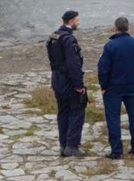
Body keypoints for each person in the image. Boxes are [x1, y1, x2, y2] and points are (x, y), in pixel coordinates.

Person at [98, 16, 134, 159]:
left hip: (113, 88)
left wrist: (104, 85)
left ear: (115, 28)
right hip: (131, 85)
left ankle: (116, 151)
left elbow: (103, 68)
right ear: (128, 27)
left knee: (113, 118)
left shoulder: (110, 46)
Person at [47, 10, 88, 158]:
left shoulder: (53, 37)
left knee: (63, 111)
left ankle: (63, 145)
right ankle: (72, 145)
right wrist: (79, 85)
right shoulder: (69, 40)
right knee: (77, 111)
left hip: (56, 78)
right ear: (71, 21)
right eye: (77, 20)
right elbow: (73, 63)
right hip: (68, 80)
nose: (79, 22)